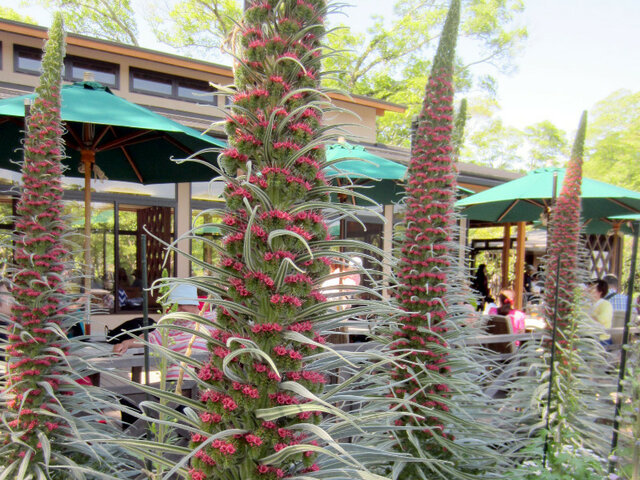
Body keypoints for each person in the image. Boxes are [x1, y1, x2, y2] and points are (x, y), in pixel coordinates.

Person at [113, 284, 214, 380]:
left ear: (193, 302)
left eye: (180, 305)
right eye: (173, 305)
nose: (176, 310)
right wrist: (126, 343)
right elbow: (149, 338)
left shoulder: (211, 320)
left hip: (204, 383)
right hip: (173, 384)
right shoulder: (170, 324)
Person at [590, 279, 613, 344]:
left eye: (592, 289)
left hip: (602, 339)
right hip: (588, 337)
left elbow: (602, 319)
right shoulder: (587, 304)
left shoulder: (606, 304)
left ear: (600, 292)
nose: (588, 290)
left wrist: (587, 317)